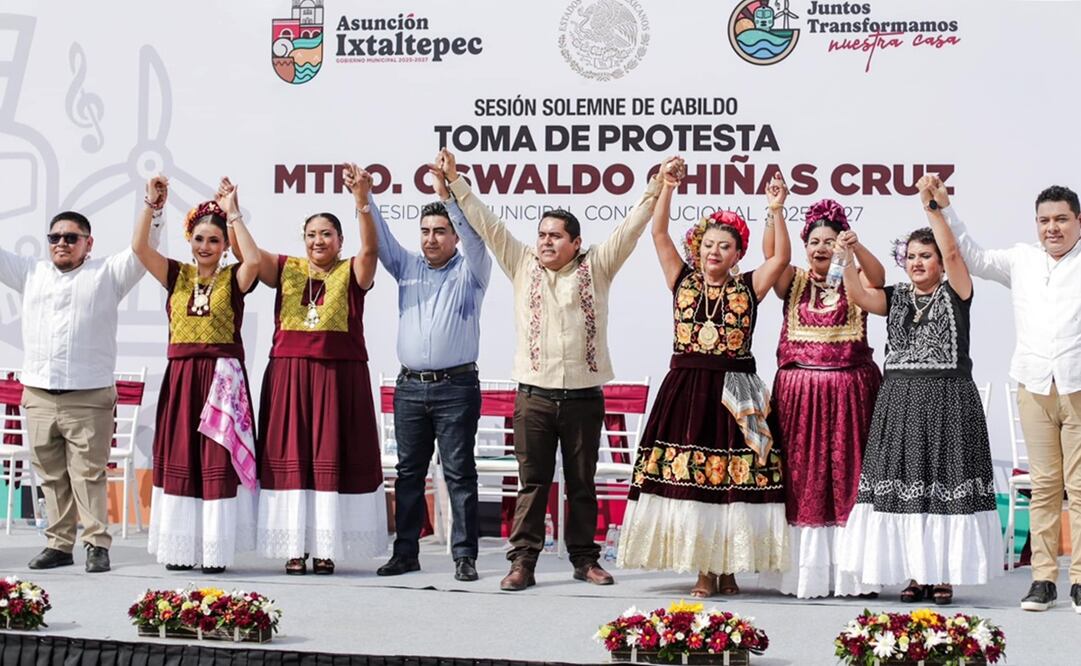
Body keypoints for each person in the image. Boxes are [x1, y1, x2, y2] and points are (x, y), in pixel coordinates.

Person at [444, 149, 665, 591]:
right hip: (535, 398)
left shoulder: (598, 266)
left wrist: (658, 187)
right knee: (533, 484)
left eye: (555, 236)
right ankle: (523, 562)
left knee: (582, 484)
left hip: (584, 397)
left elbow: (632, 227)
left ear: (575, 242)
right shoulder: (521, 262)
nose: (545, 242)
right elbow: (486, 222)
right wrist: (455, 181)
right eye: (542, 234)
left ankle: (585, 560)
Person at [617, 169, 792, 598]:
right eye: (709, 244)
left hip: (737, 393)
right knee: (694, 481)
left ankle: (729, 569)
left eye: (725, 246)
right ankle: (702, 570)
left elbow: (781, 259)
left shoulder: (749, 288)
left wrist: (776, 210)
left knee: (735, 482)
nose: (715, 251)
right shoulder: (682, 280)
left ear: (737, 254)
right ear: (698, 248)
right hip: (688, 392)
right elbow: (659, 232)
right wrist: (668, 188)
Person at [838, 175, 1001, 605]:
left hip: (948, 401)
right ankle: (914, 575)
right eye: (910, 256)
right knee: (907, 489)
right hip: (901, 403)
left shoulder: (957, 291)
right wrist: (848, 254)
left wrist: (932, 208)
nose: (916, 262)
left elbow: (952, 250)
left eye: (924, 256)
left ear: (940, 262)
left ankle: (943, 575)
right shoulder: (896, 297)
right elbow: (857, 295)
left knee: (943, 488)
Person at [0, 184, 163, 572]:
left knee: (88, 473)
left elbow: (143, 249)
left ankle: (96, 545)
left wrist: (153, 209)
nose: (61, 243)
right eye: (54, 237)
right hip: (38, 392)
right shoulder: (31, 272)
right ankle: (58, 545)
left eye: (70, 238)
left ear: (88, 243)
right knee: (50, 474)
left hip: (88, 395)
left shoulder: (108, 273)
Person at [940, 181, 1081, 612]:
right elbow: (973, 257)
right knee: (1042, 488)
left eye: (1061, 219)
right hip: (1034, 384)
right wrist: (946, 210)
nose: (1051, 228)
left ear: (1078, 221)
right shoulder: (1021, 259)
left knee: (1080, 488)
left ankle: (1079, 580)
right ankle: (1042, 580)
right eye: (1044, 220)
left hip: (1078, 385)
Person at [249, 162, 387, 575]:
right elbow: (250, 257)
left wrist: (361, 201)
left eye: (326, 233)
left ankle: (325, 548)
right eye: (311, 234)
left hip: (338, 378)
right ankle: (294, 546)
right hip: (289, 376)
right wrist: (233, 213)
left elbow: (371, 252)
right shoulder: (287, 268)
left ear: (339, 240)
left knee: (330, 458)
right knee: (293, 458)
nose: (317, 240)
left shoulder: (352, 271)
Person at [373, 150, 491, 582]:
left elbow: (478, 238)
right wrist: (364, 200)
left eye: (440, 231)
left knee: (459, 473)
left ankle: (464, 556)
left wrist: (450, 196)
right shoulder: (406, 266)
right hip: (409, 389)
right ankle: (405, 553)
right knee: (408, 475)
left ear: (454, 236)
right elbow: (381, 237)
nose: (430, 239)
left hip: (456, 388)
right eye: (424, 231)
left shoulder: (472, 270)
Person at [134, 176, 261, 573]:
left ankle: (214, 551)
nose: (205, 247)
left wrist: (233, 211)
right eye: (200, 239)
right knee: (182, 459)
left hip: (221, 381)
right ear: (189, 239)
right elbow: (140, 248)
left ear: (224, 247)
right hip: (183, 380)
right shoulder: (176, 275)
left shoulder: (233, 280)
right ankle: (180, 549)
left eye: (214, 241)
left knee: (215, 463)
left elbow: (254, 261)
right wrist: (152, 205)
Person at [759, 200, 884, 598]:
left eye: (830, 241)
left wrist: (856, 249)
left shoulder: (855, 276)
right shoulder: (792, 280)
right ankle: (804, 574)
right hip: (801, 398)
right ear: (804, 244)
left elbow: (879, 280)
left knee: (850, 479)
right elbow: (770, 257)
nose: (821, 248)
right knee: (803, 481)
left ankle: (853, 574)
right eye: (814, 241)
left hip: (850, 394)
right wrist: (775, 210)